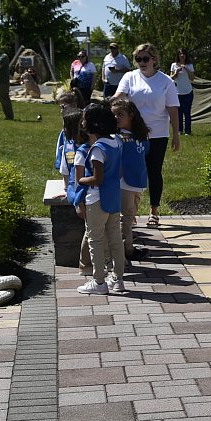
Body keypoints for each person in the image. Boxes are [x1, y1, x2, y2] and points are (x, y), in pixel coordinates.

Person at [114, 43, 180, 228]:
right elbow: (119, 97)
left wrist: (176, 135)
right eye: (138, 59)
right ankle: (129, 213)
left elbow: (173, 109)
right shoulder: (130, 77)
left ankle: (154, 211)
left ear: (154, 59)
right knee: (128, 171)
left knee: (154, 172)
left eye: (145, 58)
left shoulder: (165, 81)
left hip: (158, 134)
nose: (141, 62)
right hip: (133, 133)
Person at [74, 103, 126, 295]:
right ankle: (118, 279)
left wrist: (81, 179)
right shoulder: (117, 142)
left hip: (97, 199)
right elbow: (119, 171)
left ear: (94, 124)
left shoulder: (97, 149)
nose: (83, 122)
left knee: (95, 239)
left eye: (85, 118)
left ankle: (99, 282)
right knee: (115, 239)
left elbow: (97, 178)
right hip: (114, 196)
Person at [111, 99, 151, 261]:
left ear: (132, 116)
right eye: (113, 115)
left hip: (138, 180)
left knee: (130, 216)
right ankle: (126, 251)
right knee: (125, 218)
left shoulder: (141, 136)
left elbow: (144, 155)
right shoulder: (116, 138)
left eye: (120, 114)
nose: (116, 118)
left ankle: (126, 248)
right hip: (124, 182)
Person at [170, 49, 195, 135]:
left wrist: (186, 69)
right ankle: (180, 130)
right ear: (178, 55)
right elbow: (171, 78)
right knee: (179, 113)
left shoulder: (190, 65)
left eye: (183, 54)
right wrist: (176, 72)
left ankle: (188, 130)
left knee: (187, 112)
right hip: (177, 92)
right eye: (180, 54)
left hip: (188, 92)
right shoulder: (174, 65)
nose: (182, 55)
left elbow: (192, 78)